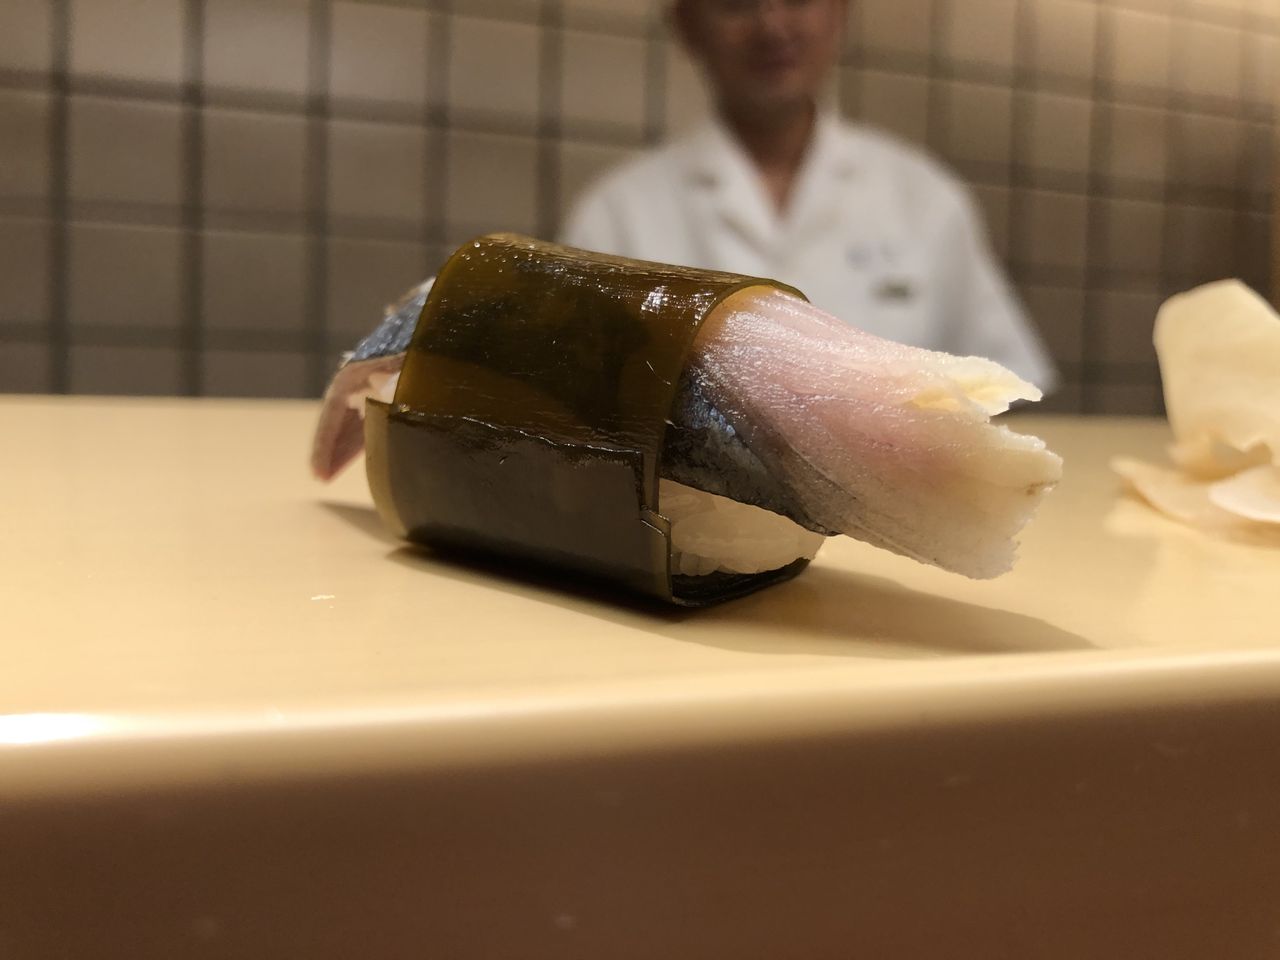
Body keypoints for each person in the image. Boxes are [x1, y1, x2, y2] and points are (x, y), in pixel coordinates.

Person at [561, 0, 1057, 392]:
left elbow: (1005, 388)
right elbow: (579, 404)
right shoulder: (615, 214)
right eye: (736, 2)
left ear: (841, 10)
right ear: (687, 25)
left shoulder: (926, 198)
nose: (773, 25)